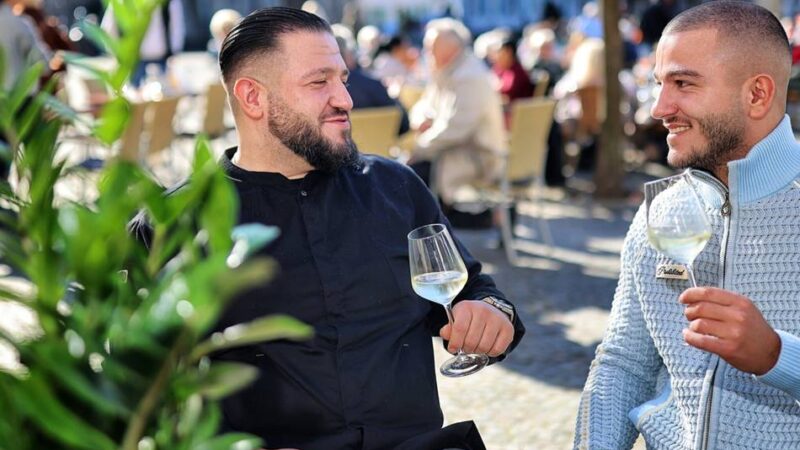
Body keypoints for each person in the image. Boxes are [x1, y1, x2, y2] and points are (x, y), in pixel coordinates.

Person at [131, 7, 524, 450]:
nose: (345, 99)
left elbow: (470, 288)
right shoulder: (174, 223)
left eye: (343, 78)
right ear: (252, 97)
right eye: (319, 82)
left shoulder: (394, 187)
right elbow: (123, 379)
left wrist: (492, 313)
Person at [574, 2, 800, 449]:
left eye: (683, 83)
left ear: (757, 94)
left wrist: (777, 356)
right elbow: (623, 364)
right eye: (659, 83)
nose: (659, 107)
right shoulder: (661, 210)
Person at [409, 17, 505, 208]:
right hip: (450, 150)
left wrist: (417, 149)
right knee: (405, 173)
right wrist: (421, 120)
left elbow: (453, 129)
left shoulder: (469, 77)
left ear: (449, 48)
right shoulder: (445, 70)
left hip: (477, 156)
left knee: (407, 177)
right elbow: (422, 106)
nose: (426, 52)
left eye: (430, 46)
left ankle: (441, 230)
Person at [333, 25, 409, 135]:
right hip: (376, 149)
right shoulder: (373, 86)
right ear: (348, 55)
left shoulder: (316, 93)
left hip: (334, 151)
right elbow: (403, 124)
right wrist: (395, 97)